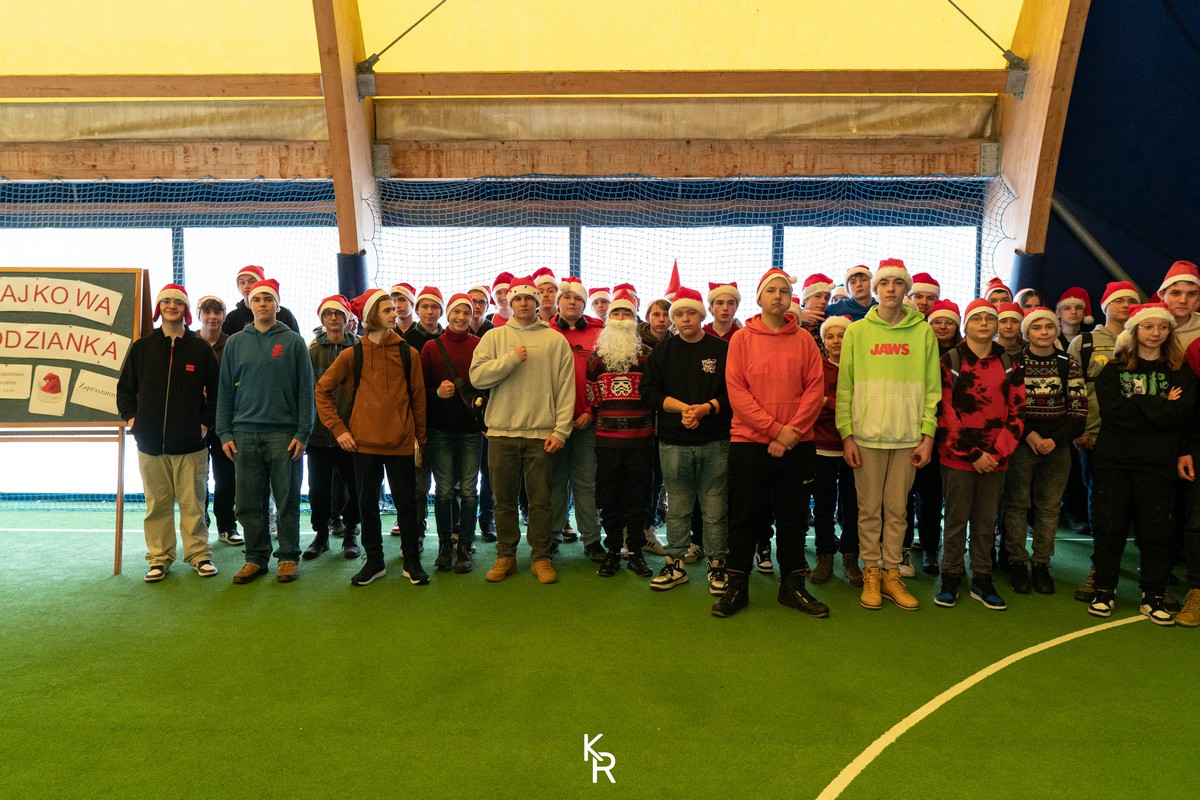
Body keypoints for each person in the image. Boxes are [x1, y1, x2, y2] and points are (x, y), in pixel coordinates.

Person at [712, 268, 826, 618]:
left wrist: (789, 433)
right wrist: (776, 431)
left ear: (791, 298)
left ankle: (792, 587)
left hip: (797, 444)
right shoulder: (741, 340)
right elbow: (738, 393)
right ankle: (737, 586)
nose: (778, 296)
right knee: (745, 517)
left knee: (794, 519)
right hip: (750, 444)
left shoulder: (805, 340)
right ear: (759, 298)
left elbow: (815, 389)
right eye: (771, 291)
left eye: (784, 291)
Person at [836, 258, 939, 611]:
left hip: (908, 437)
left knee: (897, 511)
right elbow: (846, 387)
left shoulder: (922, 333)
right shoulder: (856, 332)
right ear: (875, 288)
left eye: (897, 283)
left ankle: (892, 574)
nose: (891, 289)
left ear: (906, 289)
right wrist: (847, 435)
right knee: (868, 511)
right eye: (884, 283)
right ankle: (871, 572)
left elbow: (932, 389)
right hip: (866, 437)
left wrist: (927, 435)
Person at [1087, 303, 1195, 624]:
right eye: (1148, 327)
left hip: (1158, 464)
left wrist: (1137, 401)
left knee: (1156, 530)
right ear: (1134, 331)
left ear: (1169, 332)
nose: (1155, 333)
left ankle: (1153, 595)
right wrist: (1161, 404)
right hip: (1114, 461)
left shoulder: (1180, 370)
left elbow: (1181, 415)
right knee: (1110, 527)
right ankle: (1104, 589)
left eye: (1162, 327)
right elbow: (1114, 415)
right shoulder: (1114, 369)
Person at [315, 288, 428, 586]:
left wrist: (420, 441)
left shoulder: (408, 353)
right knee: (367, 505)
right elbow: (322, 390)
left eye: (394, 308)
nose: (395, 312)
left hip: (401, 444)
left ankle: (412, 561)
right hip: (363, 445)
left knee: (407, 504)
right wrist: (339, 429)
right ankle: (374, 561)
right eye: (387, 309)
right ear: (371, 316)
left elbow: (418, 401)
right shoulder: (353, 354)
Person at [470, 276, 575, 584]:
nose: (524, 303)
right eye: (518, 298)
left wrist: (561, 431)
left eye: (530, 298)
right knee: (502, 500)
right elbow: (477, 378)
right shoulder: (494, 337)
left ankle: (541, 557)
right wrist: (511, 359)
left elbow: (566, 388)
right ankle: (506, 556)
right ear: (510, 302)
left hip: (541, 435)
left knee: (541, 501)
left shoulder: (555, 340)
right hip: (501, 433)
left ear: (538, 302)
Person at [118, 284, 220, 582]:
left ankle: (199, 556)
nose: (171, 306)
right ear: (158, 308)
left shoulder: (200, 348)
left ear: (186, 309)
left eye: (177, 302)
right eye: (166, 302)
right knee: (157, 506)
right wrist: (134, 422)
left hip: (191, 445)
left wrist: (204, 425)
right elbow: (125, 391)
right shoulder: (142, 348)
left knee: (193, 505)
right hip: (150, 445)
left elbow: (216, 394)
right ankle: (159, 558)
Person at [216, 278, 314, 584]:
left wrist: (303, 432)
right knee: (248, 503)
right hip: (244, 435)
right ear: (250, 304)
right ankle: (255, 558)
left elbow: (306, 390)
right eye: (257, 299)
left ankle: (288, 557)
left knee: (286, 500)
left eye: (268, 299)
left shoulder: (293, 342)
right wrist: (224, 432)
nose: (262, 304)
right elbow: (224, 390)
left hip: (284, 435)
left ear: (277, 304)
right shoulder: (235, 343)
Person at [934, 299, 1026, 611]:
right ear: (966, 325)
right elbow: (944, 411)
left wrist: (997, 453)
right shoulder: (951, 360)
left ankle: (982, 578)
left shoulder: (1010, 362)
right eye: (977, 319)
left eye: (990, 318)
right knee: (956, 519)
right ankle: (950, 575)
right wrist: (972, 454)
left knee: (986, 522)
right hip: (959, 457)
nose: (984, 323)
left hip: (996, 459)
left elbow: (1018, 411)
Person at [642, 287, 732, 594]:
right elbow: (648, 392)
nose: (684, 318)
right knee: (677, 507)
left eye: (690, 312)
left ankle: (717, 564)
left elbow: (734, 391)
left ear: (702, 314)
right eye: (678, 314)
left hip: (715, 441)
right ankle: (675, 564)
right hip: (673, 442)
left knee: (715, 508)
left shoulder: (722, 349)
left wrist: (706, 409)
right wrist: (684, 409)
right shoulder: (663, 351)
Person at [1002, 307, 1086, 595]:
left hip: (1057, 448)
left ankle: (1041, 563)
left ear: (1056, 330)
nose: (1044, 332)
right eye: (1037, 328)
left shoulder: (1068, 363)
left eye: (1049, 327)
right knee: (1016, 505)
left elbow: (1079, 410)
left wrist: (1054, 440)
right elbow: (1007, 407)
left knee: (1049, 508)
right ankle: (1016, 562)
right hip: (1022, 445)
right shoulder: (1014, 363)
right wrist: (1029, 435)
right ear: (1026, 333)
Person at [1068, 281, 1137, 599]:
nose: (1125, 305)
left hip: (1136, 439)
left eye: (1130, 301)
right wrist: (1080, 429)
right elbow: (1071, 388)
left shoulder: (1143, 338)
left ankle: (1153, 569)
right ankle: (1100, 567)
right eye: (1118, 300)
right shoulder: (1085, 342)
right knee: (1101, 502)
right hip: (1095, 437)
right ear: (1105, 305)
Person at [586, 289, 656, 578]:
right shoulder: (596, 359)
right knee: (609, 498)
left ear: (634, 318)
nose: (621, 317)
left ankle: (636, 552)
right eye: (616, 313)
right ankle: (613, 550)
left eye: (627, 313)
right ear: (608, 319)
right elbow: (593, 397)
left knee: (639, 498)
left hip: (642, 440)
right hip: (607, 441)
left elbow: (654, 394)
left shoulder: (648, 356)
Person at [420, 292, 485, 574]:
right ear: (448, 314)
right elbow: (418, 391)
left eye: (466, 313)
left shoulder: (480, 346)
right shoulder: (430, 348)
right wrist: (437, 392)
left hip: (471, 431)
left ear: (472, 316)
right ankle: (445, 545)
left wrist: (485, 420)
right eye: (456, 312)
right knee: (444, 491)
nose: (461, 317)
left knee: (469, 492)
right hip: (440, 431)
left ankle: (465, 546)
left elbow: (488, 386)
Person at [545, 275, 604, 560]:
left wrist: (591, 412)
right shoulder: (545, 333)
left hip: (586, 423)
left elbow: (604, 378)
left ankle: (591, 540)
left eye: (578, 298)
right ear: (558, 303)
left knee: (585, 484)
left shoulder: (598, 334)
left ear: (584, 305)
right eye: (566, 297)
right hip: (553, 425)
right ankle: (552, 537)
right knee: (555, 484)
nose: (572, 302)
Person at [806, 314, 862, 587]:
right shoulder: (816, 367)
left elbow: (863, 405)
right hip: (822, 448)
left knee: (853, 506)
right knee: (824, 506)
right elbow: (812, 404)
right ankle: (825, 554)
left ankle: (851, 556)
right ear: (824, 341)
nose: (836, 341)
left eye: (842, 335)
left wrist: (829, 403)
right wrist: (838, 406)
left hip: (856, 447)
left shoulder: (862, 367)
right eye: (830, 336)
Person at [304, 294, 360, 561]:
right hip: (319, 433)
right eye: (328, 314)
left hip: (352, 433)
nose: (334, 318)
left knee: (355, 486)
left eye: (339, 313)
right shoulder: (312, 352)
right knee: (318, 488)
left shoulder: (360, 349)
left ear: (348, 318)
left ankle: (351, 532)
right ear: (322, 319)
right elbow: (306, 390)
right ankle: (321, 535)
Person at [195, 294, 241, 546]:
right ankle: (199, 526)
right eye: (208, 312)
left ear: (223, 316)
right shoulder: (189, 342)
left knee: (226, 477)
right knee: (198, 477)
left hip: (226, 421)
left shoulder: (233, 343)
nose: (212, 317)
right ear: (199, 315)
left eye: (217, 312)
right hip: (196, 421)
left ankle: (227, 526)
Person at [403, 285, 446, 538]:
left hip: (444, 423)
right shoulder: (406, 340)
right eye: (425, 307)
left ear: (441, 311)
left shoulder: (448, 338)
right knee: (418, 485)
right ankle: (416, 532)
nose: (430, 312)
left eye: (435, 307)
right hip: (415, 423)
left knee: (447, 485)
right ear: (417, 310)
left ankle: (450, 534)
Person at [221, 265, 300, 335]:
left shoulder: (284, 314)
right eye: (242, 282)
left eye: (252, 281)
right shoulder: (232, 318)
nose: (246, 286)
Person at [1158, 260, 1200, 347]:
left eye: (1191, 294)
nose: (1183, 300)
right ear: (1162, 294)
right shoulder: (1143, 324)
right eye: (1176, 293)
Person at [797, 273, 833, 351]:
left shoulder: (829, 323)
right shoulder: (792, 321)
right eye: (818, 296)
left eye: (827, 298)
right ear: (805, 299)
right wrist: (798, 315)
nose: (823, 301)